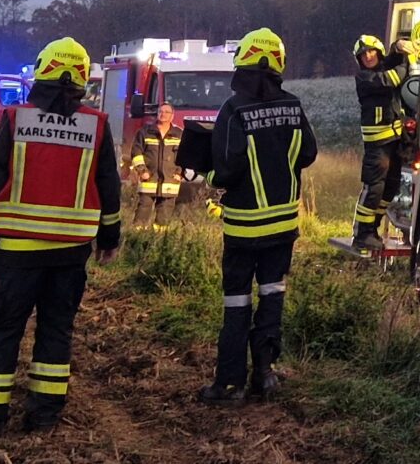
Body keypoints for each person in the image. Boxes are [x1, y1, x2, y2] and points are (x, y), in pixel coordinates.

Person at [0, 38, 121, 441]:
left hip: (18, 250)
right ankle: (44, 418)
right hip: (71, 252)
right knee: (56, 331)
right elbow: (108, 186)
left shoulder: (15, 118)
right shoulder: (97, 125)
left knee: (3, 331)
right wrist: (110, 238)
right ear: (82, 77)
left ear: (41, 72)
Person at [198, 27, 315, 404]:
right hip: (283, 227)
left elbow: (228, 168)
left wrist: (208, 175)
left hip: (244, 228)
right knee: (272, 297)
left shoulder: (234, 110)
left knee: (236, 303)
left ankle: (229, 385)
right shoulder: (294, 105)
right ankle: (264, 375)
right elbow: (308, 154)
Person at [350, 35, 415, 251]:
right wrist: (408, 62)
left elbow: (391, 60)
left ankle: (373, 228)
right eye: (363, 54)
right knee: (374, 188)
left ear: (378, 52)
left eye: (371, 51)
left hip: (394, 141)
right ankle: (362, 233)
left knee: (390, 189)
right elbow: (393, 79)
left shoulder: (382, 65)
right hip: (377, 145)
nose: (368, 56)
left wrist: (398, 46)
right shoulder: (365, 78)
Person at [130, 102, 184, 229]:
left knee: (164, 216)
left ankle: (159, 242)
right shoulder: (145, 132)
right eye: (161, 111)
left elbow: (185, 156)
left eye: (166, 112)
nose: (163, 114)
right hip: (148, 179)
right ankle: (137, 240)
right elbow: (136, 153)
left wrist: (180, 172)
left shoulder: (179, 134)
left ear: (172, 116)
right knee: (142, 212)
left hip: (170, 181)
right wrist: (142, 171)